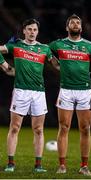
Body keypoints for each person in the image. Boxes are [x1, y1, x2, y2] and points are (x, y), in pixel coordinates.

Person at [49, 14, 91, 176]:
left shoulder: (90, 46)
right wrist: (53, 61)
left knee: (85, 128)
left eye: (78, 22)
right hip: (65, 90)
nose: (75, 24)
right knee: (64, 127)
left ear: (81, 27)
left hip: (85, 91)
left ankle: (84, 166)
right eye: (72, 22)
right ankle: (62, 166)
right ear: (67, 27)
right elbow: (42, 50)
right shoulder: (58, 44)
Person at [0, 18, 53, 172]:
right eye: (29, 29)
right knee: (15, 127)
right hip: (21, 91)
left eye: (35, 30)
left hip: (39, 92)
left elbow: (56, 64)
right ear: (23, 31)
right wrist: (5, 66)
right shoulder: (16, 45)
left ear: (38, 32)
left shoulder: (44, 49)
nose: (32, 32)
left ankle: (38, 165)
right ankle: (10, 163)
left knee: (38, 129)